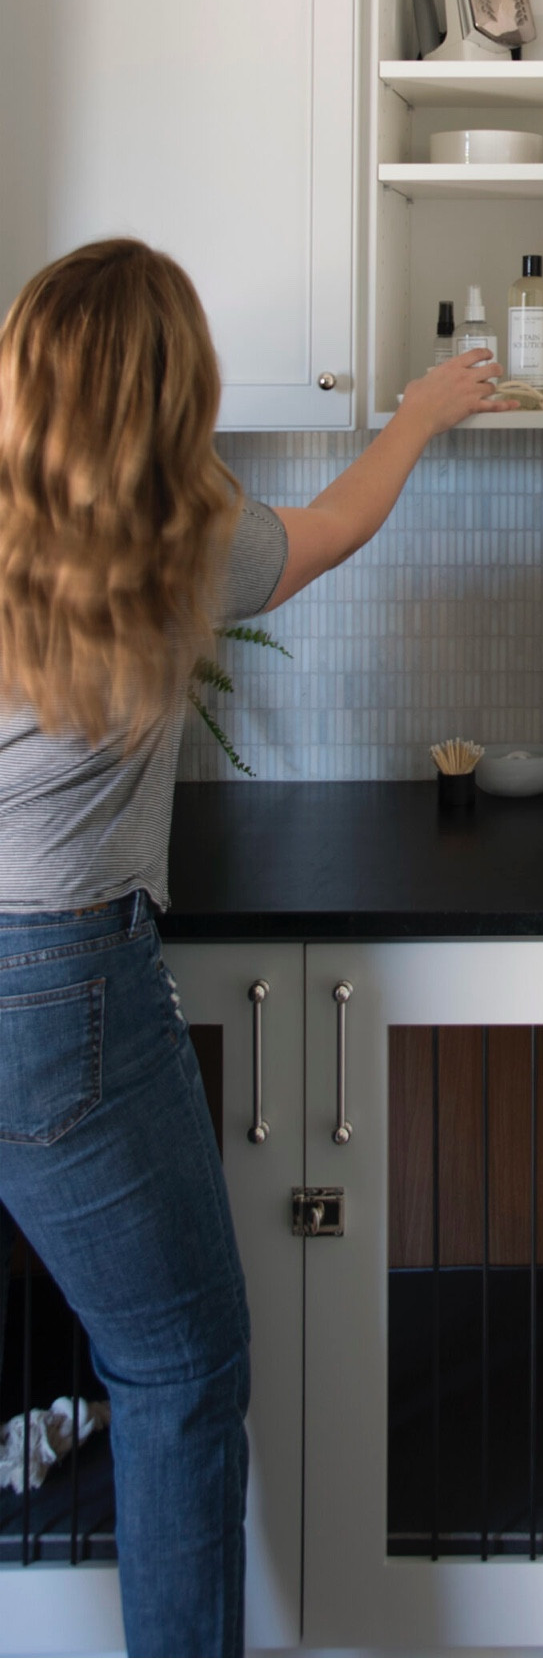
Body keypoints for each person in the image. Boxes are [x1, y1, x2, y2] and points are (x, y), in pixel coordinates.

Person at [0, 238, 507, 1655]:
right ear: (179, 398)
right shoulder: (176, 550)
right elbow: (333, 524)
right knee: (176, 1369)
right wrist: (418, 409)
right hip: (57, 996)